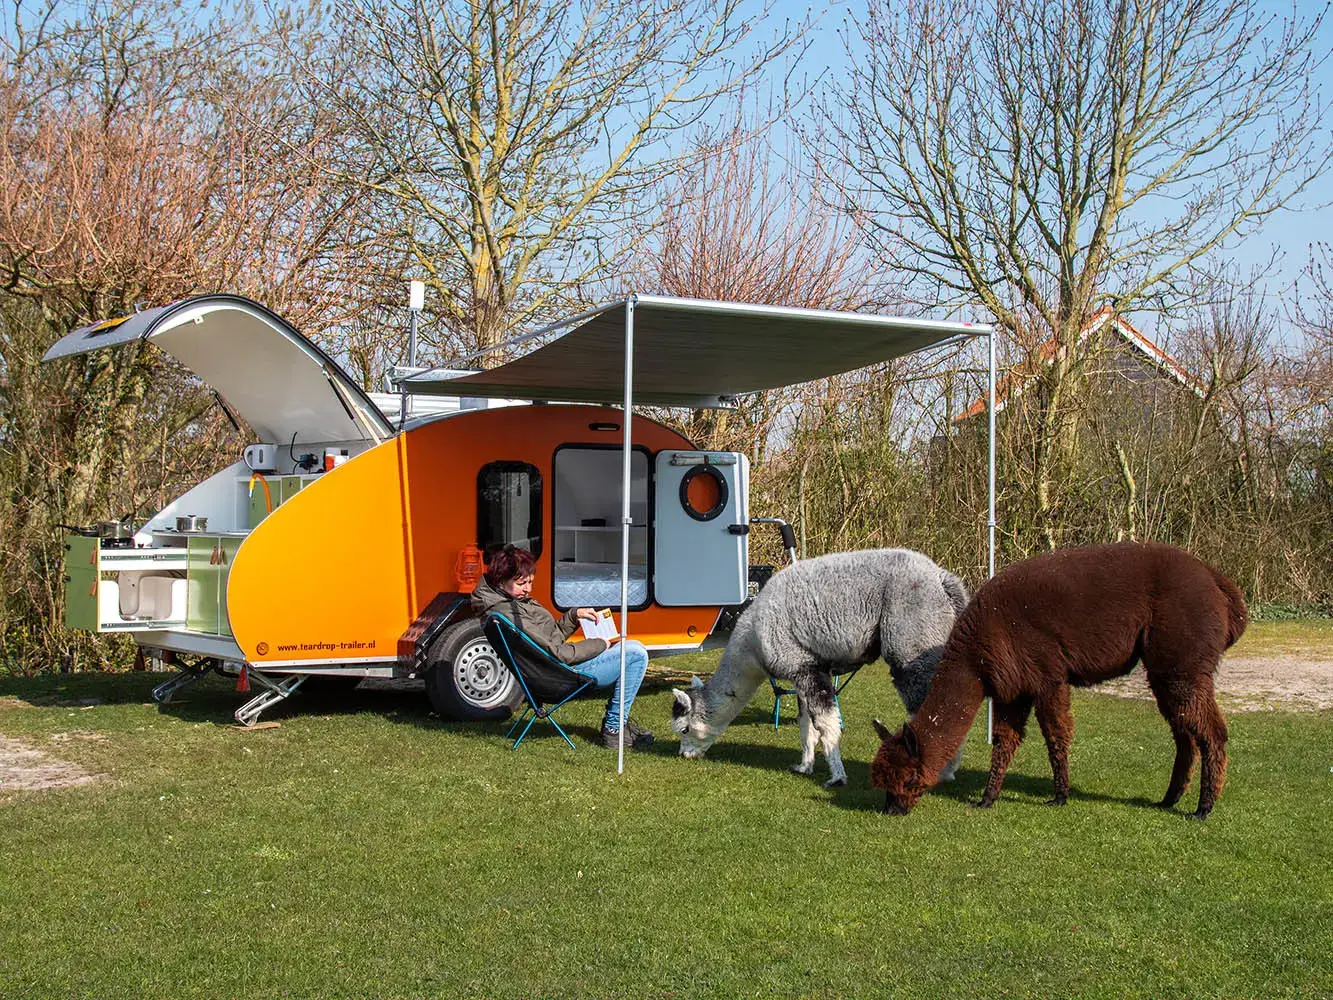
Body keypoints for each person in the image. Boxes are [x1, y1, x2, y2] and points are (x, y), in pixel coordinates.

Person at [470, 544, 655, 749]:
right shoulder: (510, 614)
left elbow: (548, 642)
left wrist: (574, 616)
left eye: (530, 582)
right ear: (501, 581)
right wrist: (600, 644)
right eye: (521, 583)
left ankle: (617, 724)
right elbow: (558, 653)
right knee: (636, 654)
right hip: (560, 678)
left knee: (632, 647)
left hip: (549, 674)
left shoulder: (506, 605)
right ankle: (614, 728)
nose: (528, 589)